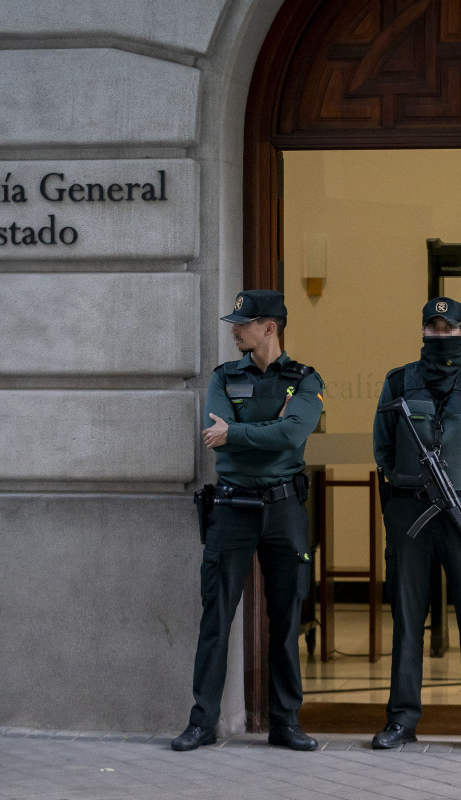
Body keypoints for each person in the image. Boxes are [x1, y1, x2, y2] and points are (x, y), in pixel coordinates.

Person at [171, 289, 324, 753]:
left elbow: (292, 433)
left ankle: (285, 723)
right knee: (216, 617)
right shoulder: (223, 377)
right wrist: (263, 431)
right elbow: (214, 435)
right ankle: (203, 723)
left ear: (269, 328)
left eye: (243, 322)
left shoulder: (304, 380)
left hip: (283, 511)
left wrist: (236, 431)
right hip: (233, 508)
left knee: (285, 621)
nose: (234, 329)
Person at [370, 296, 461, 754]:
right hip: (411, 513)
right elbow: (383, 447)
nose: (439, 335)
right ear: (422, 333)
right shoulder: (399, 381)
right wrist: (404, 484)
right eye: (432, 329)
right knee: (408, 618)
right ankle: (402, 719)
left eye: (447, 328)